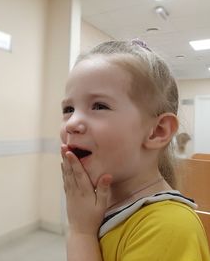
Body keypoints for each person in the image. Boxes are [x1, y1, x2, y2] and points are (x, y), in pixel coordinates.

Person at [60, 40, 210, 261]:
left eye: (99, 106)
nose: (72, 123)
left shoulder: (169, 227)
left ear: (157, 131)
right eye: (68, 109)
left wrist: (81, 232)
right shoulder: (97, 207)